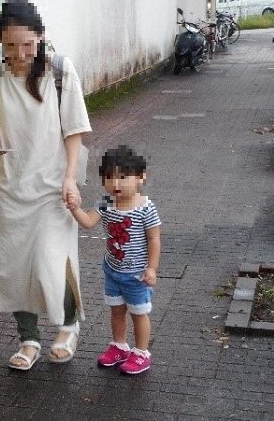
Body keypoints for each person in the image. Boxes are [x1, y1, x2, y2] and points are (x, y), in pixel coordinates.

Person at [0, 0, 92, 370]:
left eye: (28, 44)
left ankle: (69, 326)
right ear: (0, 42)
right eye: (11, 46)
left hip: (52, 187)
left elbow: (74, 127)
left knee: (53, 261)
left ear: (41, 37)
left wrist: (70, 176)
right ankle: (28, 338)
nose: (20, 53)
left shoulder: (60, 70)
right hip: (12, 186)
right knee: (15, 266)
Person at [67, 145, 161, 375]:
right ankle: (119, 346)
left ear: (140, 177)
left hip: (137, 275)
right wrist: (74, 208)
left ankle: (141, 353)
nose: (115, 184)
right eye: (109, 177)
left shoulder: (146, 208)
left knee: (139, 313)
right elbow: (88, 222)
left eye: (122, 177)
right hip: (112, 271)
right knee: (116, 311)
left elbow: (154, 240)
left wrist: (152, 268)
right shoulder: (106, 203)